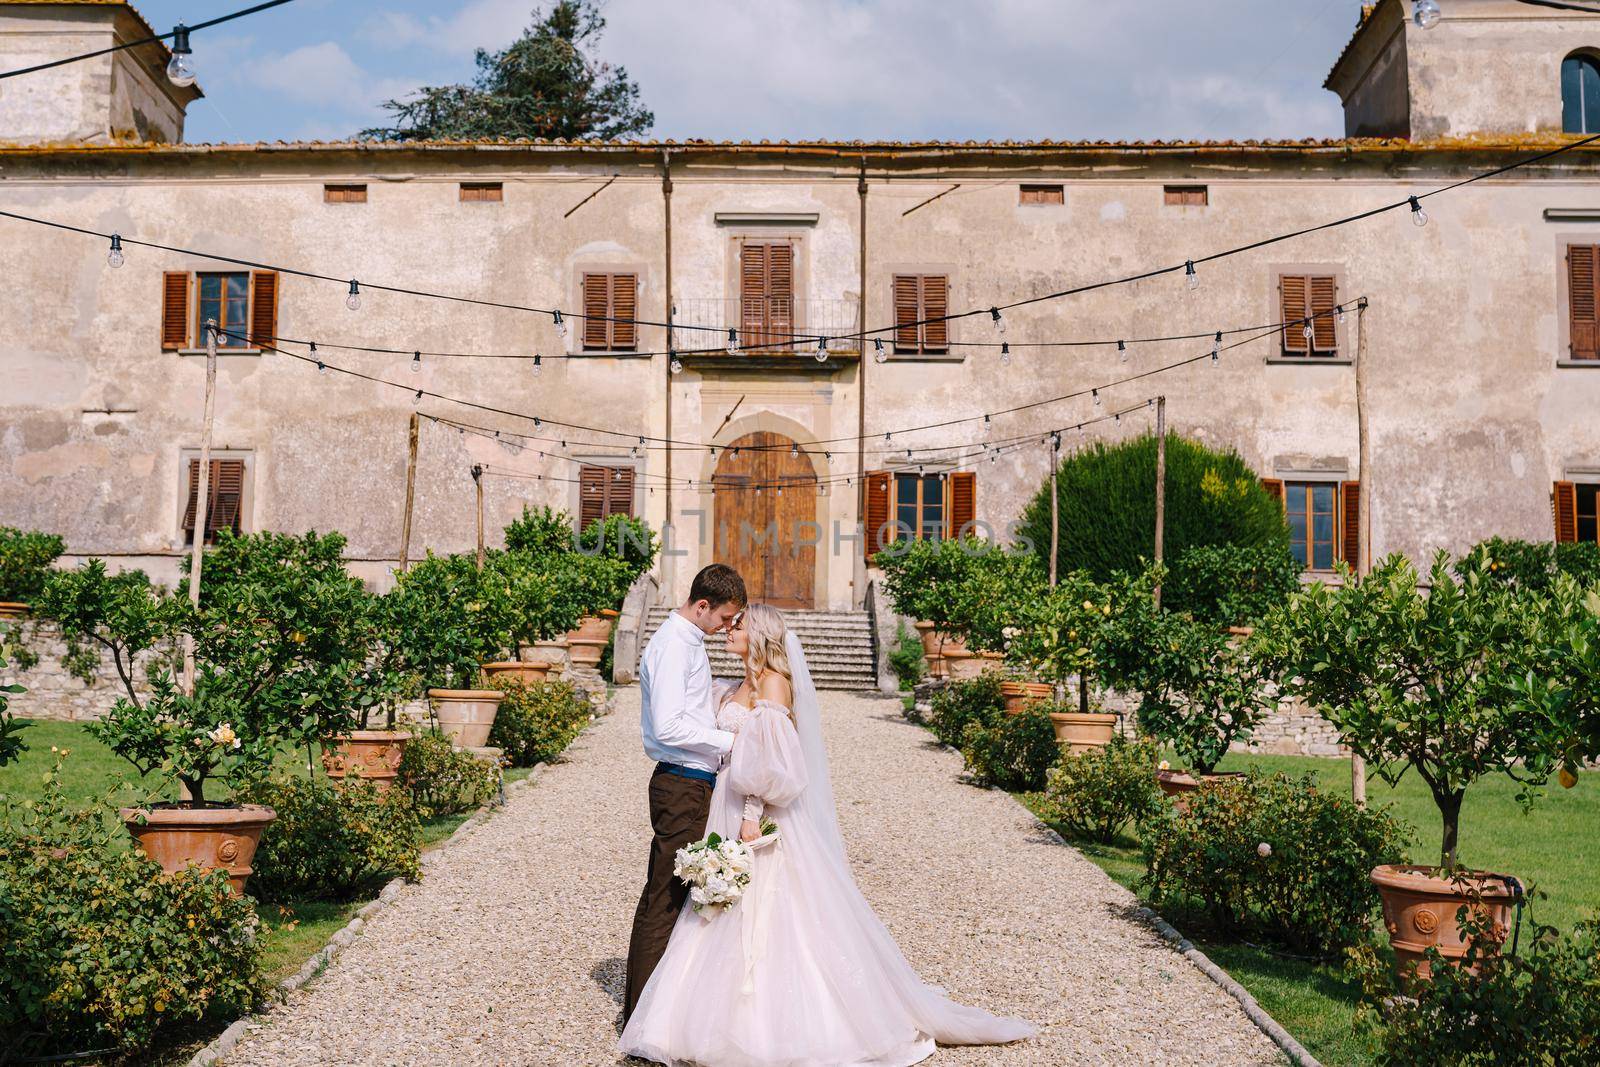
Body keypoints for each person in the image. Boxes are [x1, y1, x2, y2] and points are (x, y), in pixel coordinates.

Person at [620, 604, 1034, 1066]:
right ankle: (686, 1013)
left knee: (771, 908)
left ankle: (772, 1020)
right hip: (725, 801)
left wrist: (752, 812)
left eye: (739, 625)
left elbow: (776, 764)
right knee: (719, 908)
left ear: (758, 634)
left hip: (753, 810)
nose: (729, 631)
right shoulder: (736, 683)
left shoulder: (774, 684)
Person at [624, 563, 748, 1022]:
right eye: (722, 618)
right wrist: (730, 742)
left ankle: (655, 1006)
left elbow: (691, 702)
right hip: (680, 782)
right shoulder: (674, 646)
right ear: (702, 605)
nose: (724, 628)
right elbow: (669, 725)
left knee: (671, 893)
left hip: (691, 780)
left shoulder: (687, 641)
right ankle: (643, 1016)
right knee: (667, 896)